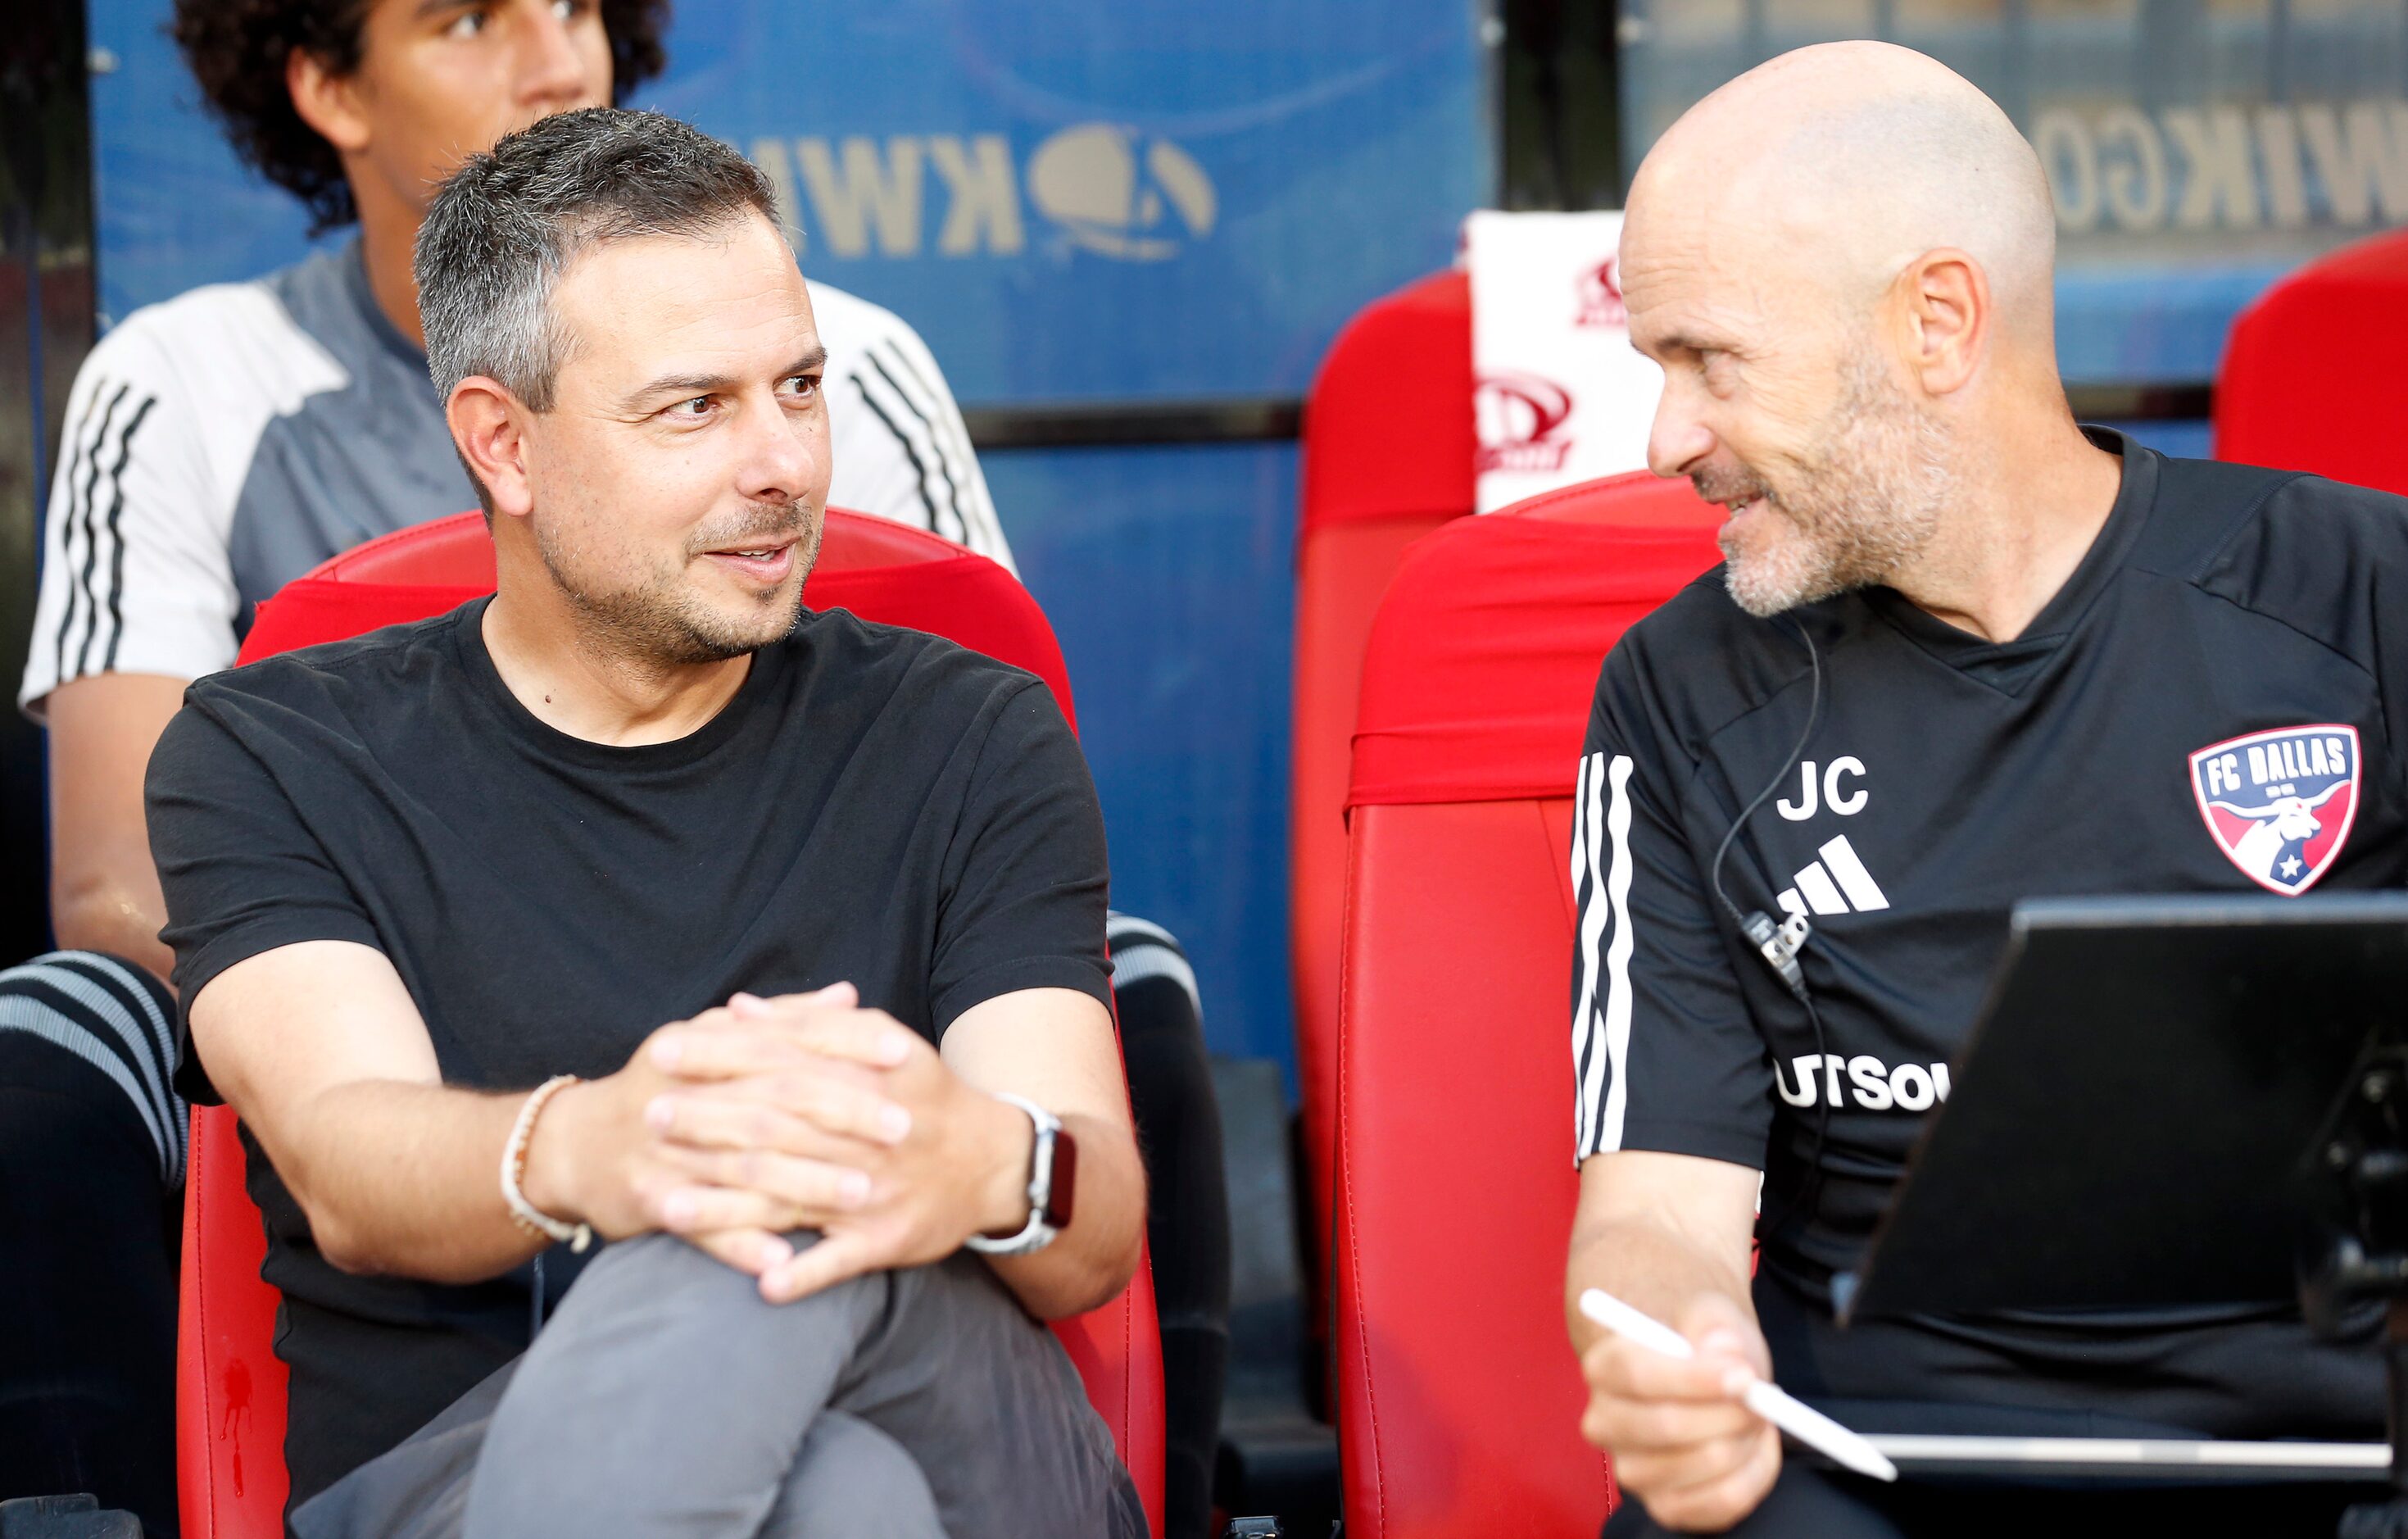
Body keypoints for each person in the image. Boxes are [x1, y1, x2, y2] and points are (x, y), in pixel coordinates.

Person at [6, 3, 1227, 1531]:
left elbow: (1088, 1215)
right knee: (838, 1497)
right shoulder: (274, 747)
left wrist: (972, 1158)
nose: (780, 463)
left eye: (796, 386)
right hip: (460, 1470)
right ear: (501, 447)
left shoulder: (966, 729)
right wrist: (621, 1141)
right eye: (695, 408)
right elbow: (349, 1158)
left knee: (760, 1221)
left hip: (962, 1409)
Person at [1564, 42, 2393, 1537]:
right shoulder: (1679, 694)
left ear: (1937, 322)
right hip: (1869, 1478)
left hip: (2335, 1469)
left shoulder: (2359, 602)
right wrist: (1676, 1350)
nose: (1664, 438)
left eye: (1710, 360)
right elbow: (1653, 1209)